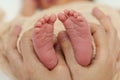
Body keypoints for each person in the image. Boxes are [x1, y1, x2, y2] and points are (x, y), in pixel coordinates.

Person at [4, 8, 120, 80]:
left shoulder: (85, 5)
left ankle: (48, 59)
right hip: (101, 49)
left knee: (29, 31)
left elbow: (25, 14)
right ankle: (85, 53)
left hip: (87, 19)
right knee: (98, 29)